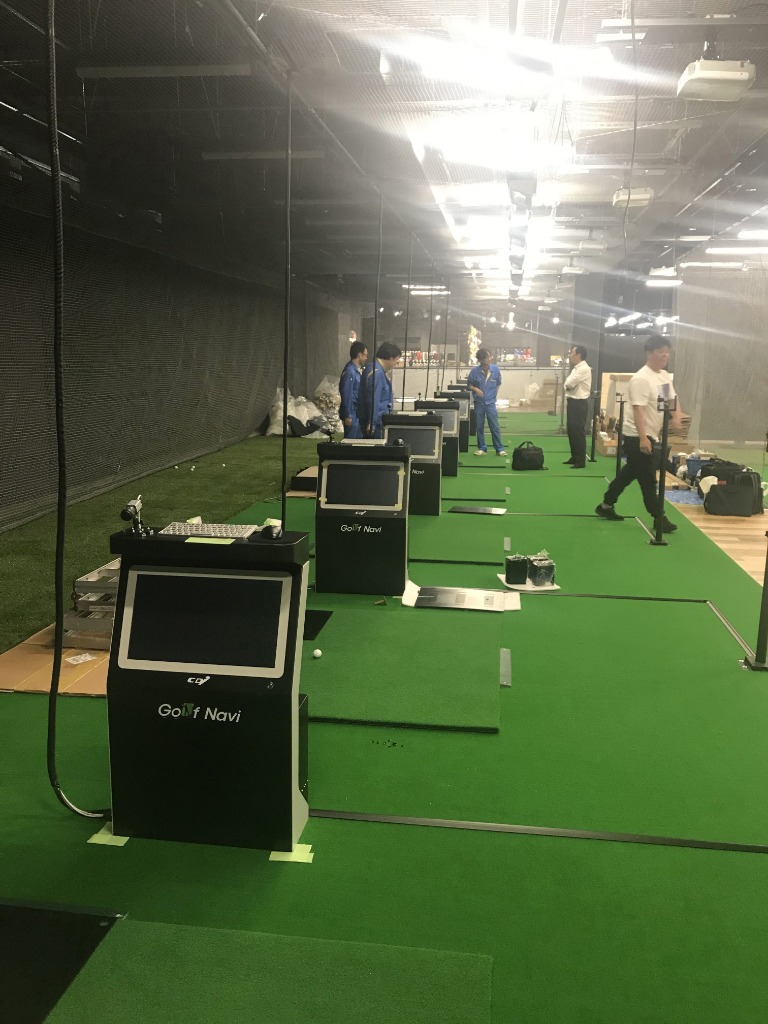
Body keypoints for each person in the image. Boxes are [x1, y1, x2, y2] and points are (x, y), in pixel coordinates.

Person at [596, 335, 684, 533]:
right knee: (648, 479)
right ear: (650, 353)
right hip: (636, 435)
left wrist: (676, 416)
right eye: (660, 351)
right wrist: (643, 438)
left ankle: (606, 505)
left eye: (667, 352)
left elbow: (670, 399)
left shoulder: (663, 376)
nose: (665, 355)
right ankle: (659, 517)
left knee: (629, 473)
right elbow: (638, 410)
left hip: (652, 433)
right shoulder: (641, 379)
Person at [358, 342, 402, 438]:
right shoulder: (376, 373)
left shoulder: (375, 369)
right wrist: (372, 423)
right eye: (396, 360)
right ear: (391, 358)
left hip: (377, 421)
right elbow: (373, 400)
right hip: (377, 423)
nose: (396, 364)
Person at [467, 348, 506, 456]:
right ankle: (482, 448)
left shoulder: (495, 370)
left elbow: (498, 384)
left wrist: (493, 395)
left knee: (494, 426)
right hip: (479, 403)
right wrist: (476, 389)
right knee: (479, 426)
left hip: (491, 403)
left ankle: (499, 449)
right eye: (487, 357)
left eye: (489, 356)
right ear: (480, 360)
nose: (489, 359)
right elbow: (469, 385)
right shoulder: (474, 371)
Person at [563, 344, 592, 469]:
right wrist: (568, 386)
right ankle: (574, 456)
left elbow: (569, 384)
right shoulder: (576, 369)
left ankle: (580, 460)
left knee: (578, 432)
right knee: (571, 430)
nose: (570, 356)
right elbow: (567, 384)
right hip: (572, 402)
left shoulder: (584, 369)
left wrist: (568, 386)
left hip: (579, 403)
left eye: (572, 353)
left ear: (579, 355)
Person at [338, 340, 368, 438]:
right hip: (352, 412)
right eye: (365, 355)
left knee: (357, 440)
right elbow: (346, 394)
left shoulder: (356, 370)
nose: (366, 358)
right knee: (351, 441)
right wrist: (347, 415)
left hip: (357, 412)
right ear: (359, 355)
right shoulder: (350, 371)